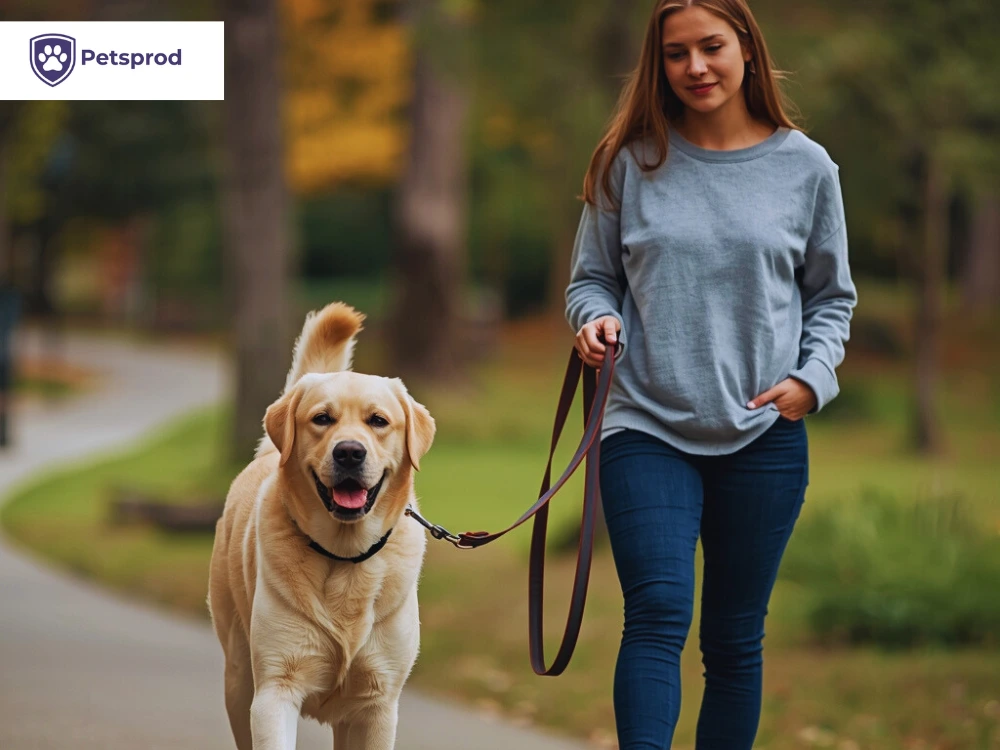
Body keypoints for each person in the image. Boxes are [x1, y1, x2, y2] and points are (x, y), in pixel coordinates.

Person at [565, 1, 857, 747]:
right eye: (676, 53)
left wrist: (813, 379)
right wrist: (594, 319)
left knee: (733, 638)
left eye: (711, 46)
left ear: (747, 49)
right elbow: (593, 280)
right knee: (658, 610)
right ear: (657, 64)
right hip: (645, 423)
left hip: (764, 430)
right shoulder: (629, 162)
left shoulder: (806, 167)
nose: (695, 67)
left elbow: (831, 297)